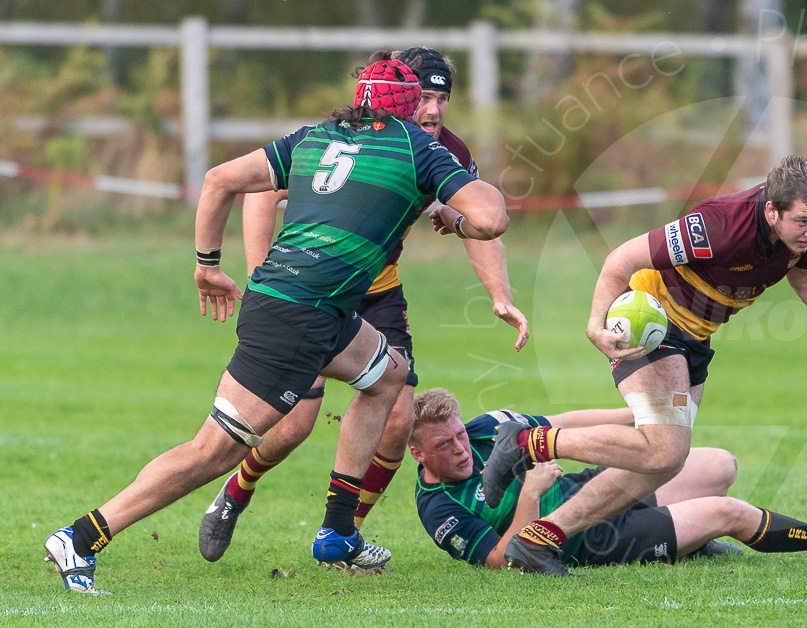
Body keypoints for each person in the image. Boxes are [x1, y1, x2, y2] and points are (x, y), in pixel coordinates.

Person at [42, 58, 507, 594]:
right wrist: (461, 215)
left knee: (387, 377)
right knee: (212, 452)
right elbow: (491, 219)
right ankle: (81, 538)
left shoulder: (314, 137)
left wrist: (208, 264)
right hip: (297, 316)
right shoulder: (415, 147)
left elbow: (218, 180)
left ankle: (338, 531)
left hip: (314, 306)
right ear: (406, 105)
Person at [479, 155, 807, 575]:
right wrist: (595, 324)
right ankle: (526, 441)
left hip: (696, 335)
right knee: (666, 448)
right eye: (802, 223)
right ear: (772, 210)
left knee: (661, 464)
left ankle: (538, 540)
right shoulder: (719, 225)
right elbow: (621, 260)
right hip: (651, 317)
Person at [198, 47, 528, 563]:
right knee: (292, 425)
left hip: (377, 292)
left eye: (444, 98)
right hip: (306, 294)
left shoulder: (448, 151)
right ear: (401, 98)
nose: (435, 109)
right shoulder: (349, 135)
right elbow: (260, 193)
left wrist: (499, 296)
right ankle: (235, 493)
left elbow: (480, 222)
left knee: (397, 417)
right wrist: (265, 276)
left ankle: (341, 535)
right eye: (426, 96)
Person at [409, 389, 807, 570]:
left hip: (589, 489)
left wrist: (642, 414)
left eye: (458, 435)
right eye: (445, 446)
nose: (460, 449)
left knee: (718, 464)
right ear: (417, 453)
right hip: (586, 539)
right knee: (727, 513)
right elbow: (501, 560)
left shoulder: (479, 432)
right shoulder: (437, 507)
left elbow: (562, 423)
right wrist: (532, 495)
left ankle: (687, 543)